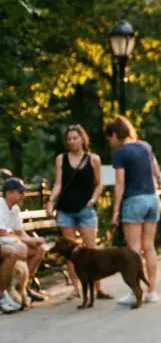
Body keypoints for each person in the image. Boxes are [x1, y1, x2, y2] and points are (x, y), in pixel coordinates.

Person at [45, 124, 109, 301]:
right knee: (71, 252)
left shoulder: (93, 159)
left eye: (75, 138)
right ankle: (76, 289)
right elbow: (58, 183)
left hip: (86, 209)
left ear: (83, 139)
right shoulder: (61, 159)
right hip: (65, 210)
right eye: (69, 139)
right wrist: (51, 201)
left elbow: (99, 183)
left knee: (91, 250)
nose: (72, 141)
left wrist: (94, 199)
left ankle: (98, 288)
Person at [107, 115, 160, 305]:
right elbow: (156, 172)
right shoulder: (145, 146)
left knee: (133, 250)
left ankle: (135, 292)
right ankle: (152, 291)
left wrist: (115, 211)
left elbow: (119, 183)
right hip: (152, 198)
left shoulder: (120, 153)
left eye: (110, 138)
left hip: (134, 200)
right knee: (149, 247)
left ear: (114, 134)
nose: (110, 143)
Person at [0, 178, 46, 308]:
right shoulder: (0, 206)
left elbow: (19, 232)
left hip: (8, 242)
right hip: (2, 243)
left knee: (39, 249)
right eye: (20, 192)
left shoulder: (14, 209)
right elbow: (2, 233)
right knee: (13, 252)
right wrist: (29, 240)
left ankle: (24, 288)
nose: (23, 196)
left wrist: (33, 242)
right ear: (9, 193)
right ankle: (1, 295)